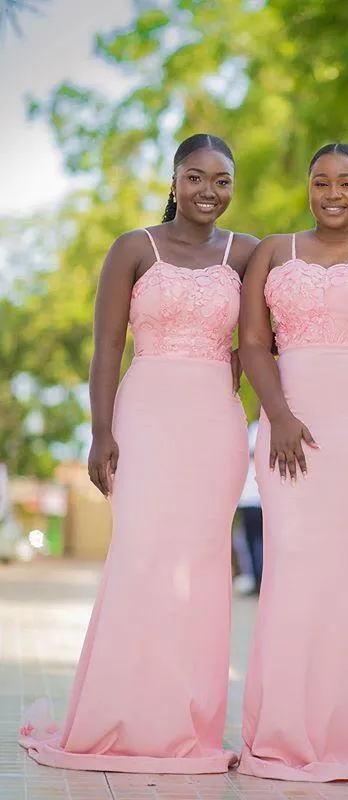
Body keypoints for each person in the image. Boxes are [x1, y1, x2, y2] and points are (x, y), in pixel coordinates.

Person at [19, 133, 258, 773]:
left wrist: (237, 360)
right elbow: (106, 348)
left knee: (203, 567)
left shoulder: (248, 254)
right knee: (141, 556)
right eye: (196, 177)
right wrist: (101, 432)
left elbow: (271, 334)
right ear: (174, 179)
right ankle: (121, 714)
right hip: (144, 413)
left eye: (223, 180)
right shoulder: (133, 248)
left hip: (215, 421)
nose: (209, 191)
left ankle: (190, 721)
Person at [238, 143, 348, 782]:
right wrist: (279, 415)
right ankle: (283, 729)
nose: (333, 193)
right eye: (321, 182)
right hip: (291, 429)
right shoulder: (273, 252)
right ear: (308, 188)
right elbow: (253, 344)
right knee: (290, 566)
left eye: (346, 183)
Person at [236, 420, 263, 593]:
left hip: (253, 497)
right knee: (255, 541)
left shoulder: (252, 428)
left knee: (256, 541)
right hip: (252, 498)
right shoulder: (255, 429)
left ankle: (259, 578)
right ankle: (258, 577)